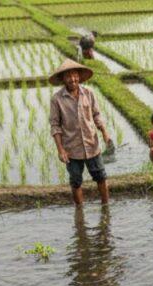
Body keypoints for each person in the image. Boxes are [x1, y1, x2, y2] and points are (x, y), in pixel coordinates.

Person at [48, 58, 113, 205]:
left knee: (101, 177)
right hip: (72, 149)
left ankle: (106, 207)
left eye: (75, 75)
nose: (72, 79)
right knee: (76, 181)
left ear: (79, 76)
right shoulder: (56, 100)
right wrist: (60, 150)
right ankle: (79, 212)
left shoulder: (89, 93)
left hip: (92, 144)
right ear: (63, 79)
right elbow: (55, 126)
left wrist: (104, 132)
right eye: (68, 76)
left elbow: (96, 115)